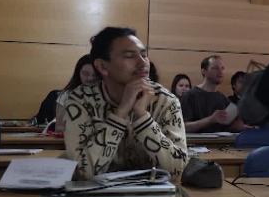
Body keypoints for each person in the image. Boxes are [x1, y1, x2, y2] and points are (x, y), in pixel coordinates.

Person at [61, 27, 187, 180]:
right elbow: (83, 173)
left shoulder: (165, 100)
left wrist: (142, 117)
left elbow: (178, 170)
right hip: (95, 194)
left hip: (151, 192)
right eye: (129, 56)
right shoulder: (81, 100)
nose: (143, 62)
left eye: (144, 55)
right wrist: (121, 113)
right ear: (102, 66)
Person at [181, 55, 246, 133]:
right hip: (197, 141)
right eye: (215, 68)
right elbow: (183, 127)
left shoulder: (222, 98)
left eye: (222, 68)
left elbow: (230, 127)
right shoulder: (189, 96)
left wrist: (240, 124)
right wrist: (211, 119)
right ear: (204, 71)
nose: (220, 72)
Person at [32, 55, 99, 129]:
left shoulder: (105, 96)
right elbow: (59, 128)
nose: (90, 78)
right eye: (85, 74)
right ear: (78, 73)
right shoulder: (66, 95)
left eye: (95, 75)